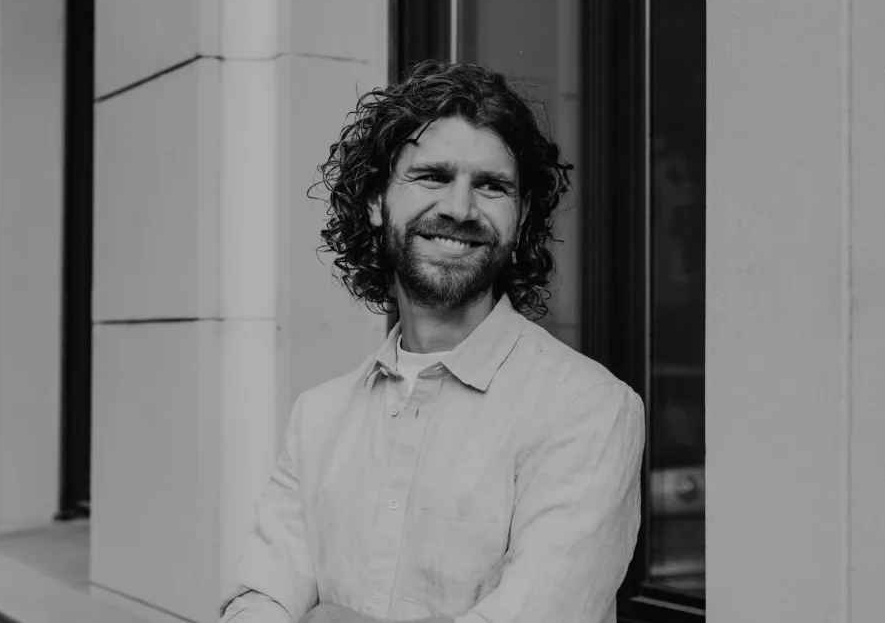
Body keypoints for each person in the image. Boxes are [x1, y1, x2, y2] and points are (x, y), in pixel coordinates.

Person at [219, 61, 645, 623]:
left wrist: (327, 619)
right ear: (376, 201)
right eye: (432, 176)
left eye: (491, 186)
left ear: (521, 218)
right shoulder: (317, 417)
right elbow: (256, 602)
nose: (459, 208)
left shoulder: (589, 411)